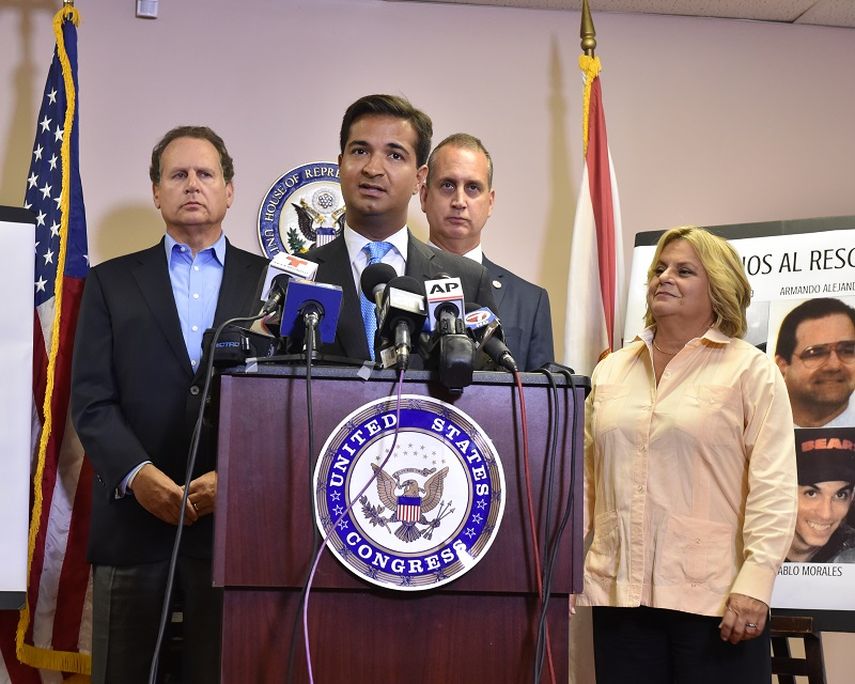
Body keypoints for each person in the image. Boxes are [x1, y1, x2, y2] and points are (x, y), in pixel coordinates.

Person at [71, 126, 267, 683]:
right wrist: (138, 476)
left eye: (206, 174)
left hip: (236, 524)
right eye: (177, 175)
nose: (192, 185)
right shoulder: (110, 283)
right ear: (156, 192)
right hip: (133, 522)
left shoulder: (272, 285)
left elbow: (285, 400)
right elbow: (91, 398)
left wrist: (230, 478)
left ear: (229, 190)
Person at [578, 226, 797, 683]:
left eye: (683, 270)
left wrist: (755, 584)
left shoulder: (750, 370)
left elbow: (772, 487)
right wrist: (561, 571)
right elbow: (585, 482)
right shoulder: (611, 370)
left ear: (718, 288)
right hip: (621, 596)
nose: (664, 277)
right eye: (659, 269)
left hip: (717, 602)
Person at [307, 94, 496, 361]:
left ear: (420, 179)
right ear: (340, 165)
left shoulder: (466, 280)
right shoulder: (297, 275)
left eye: (395, 155)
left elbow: (486, 392)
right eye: (360, 151)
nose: (373, 169)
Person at [420, 133, 554, 371]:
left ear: (490, 202)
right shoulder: (399, 285)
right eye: (448, 185)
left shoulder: (529, 301)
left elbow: (539, 402)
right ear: (424, 196)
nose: (459, 201)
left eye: (473, 187)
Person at [775, 297, 855, 428]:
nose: (834, 366)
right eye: (816, 353)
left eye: (847, 351)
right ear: (782, 365)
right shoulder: (757, 426)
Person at [786, 428, 855, 563]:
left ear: (852, 496)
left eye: (840, 495)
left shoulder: (850, 556)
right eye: (811, 493)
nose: (826, 514)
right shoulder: (744, 548)